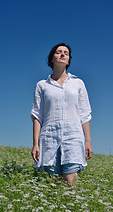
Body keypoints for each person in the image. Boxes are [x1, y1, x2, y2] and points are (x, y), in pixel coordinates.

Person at [31, 43, 93, 185]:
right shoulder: (42, 85)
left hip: (73, 136)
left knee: (70, 181)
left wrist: (88, 141)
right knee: (54, 183)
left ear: (69, 60)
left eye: (66, 53)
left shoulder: (78, 83)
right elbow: (37, 115)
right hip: (49, 138)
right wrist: (35, 144)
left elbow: (84, 114)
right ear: (52, 58)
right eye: (58, 52)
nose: (62, 54)